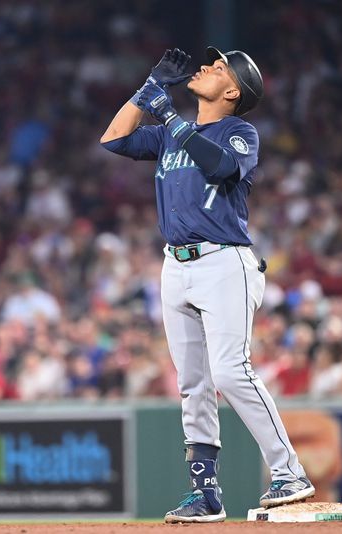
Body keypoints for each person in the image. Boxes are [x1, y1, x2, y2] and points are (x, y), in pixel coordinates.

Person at [101, 47, 313, 523]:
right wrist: (149, 88)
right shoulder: (170, 135)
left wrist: (171, 117)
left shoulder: (240, 131)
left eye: (219, 68)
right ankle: (206, 495)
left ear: (232, 90)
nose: (206, 67)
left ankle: (289, 471)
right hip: (175, 265)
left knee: (230, 371)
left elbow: (220, 168)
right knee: (192, 384)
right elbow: (114, 139)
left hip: (224, 262)